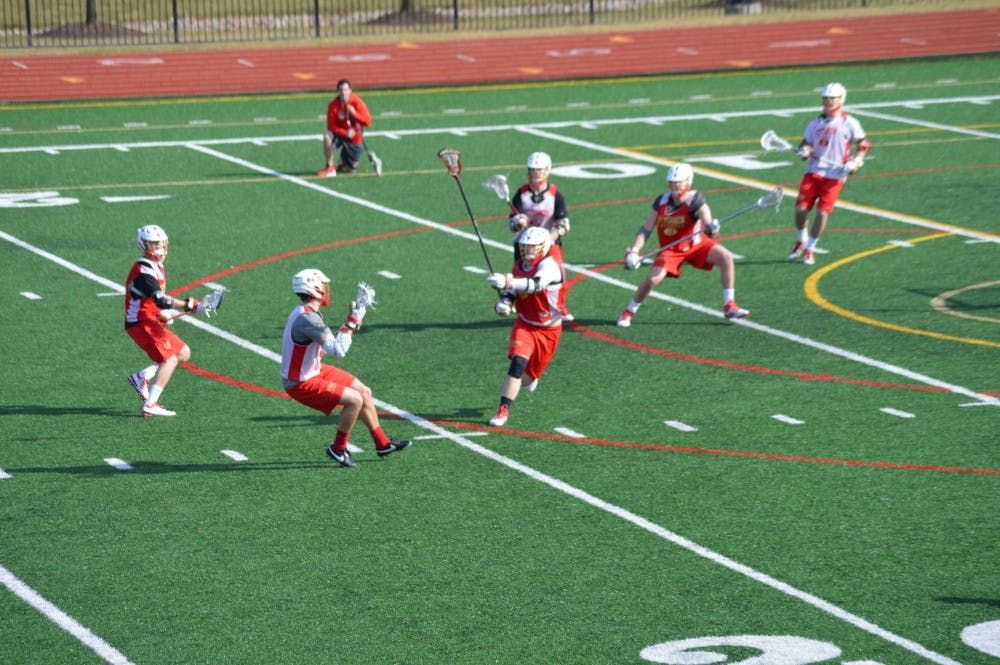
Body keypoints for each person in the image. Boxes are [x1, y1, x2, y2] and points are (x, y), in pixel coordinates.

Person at [281, 269, 410, 468]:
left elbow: (329, 345)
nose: (326, 290)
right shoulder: (308, 319)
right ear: (313, 288)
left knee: (364, 392)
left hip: (313, 370)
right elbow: (339, 350)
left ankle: (382, 443)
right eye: (323, 286)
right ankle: (338, 448)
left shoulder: (307, 314)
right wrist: (353, 321)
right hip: (300, 381)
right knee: (354, 400)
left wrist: (353, 321)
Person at [617, 163, 748, 327]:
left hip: (696, 245)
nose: (674, 186)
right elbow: (646, 228)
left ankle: (729, 305)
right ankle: (629, 312)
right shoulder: (661, 201)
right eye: (672, 182)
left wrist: (712, 227)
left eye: (678, 182)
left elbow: (707, 221)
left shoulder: (695, 199)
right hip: (670, 250)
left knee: (726, 257)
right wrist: (634, 250)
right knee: (652, 279)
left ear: (688, 182)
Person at [125, 225, 213, 417]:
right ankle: (150, 404)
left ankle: (142, 377)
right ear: (144, 246)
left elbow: (149, 300)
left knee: (183, 352)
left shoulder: (157, 267)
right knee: (169, 358)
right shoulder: (144, 270)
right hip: (140, 322)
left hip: (149, 318)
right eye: (154, 243)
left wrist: (161, 314)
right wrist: (190, 305)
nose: (159, 247)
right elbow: (161, 299)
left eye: (161, 242)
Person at [485, 226, 564, 427]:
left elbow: (534, 285)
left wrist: (507, 282)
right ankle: (503, 410)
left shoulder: (550, 266)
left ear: (542, 246)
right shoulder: (519, 265)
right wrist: (506, 302)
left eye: (531, 246)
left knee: (527, 379)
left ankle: (531, 379)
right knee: (517, 364)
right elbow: (514, 291)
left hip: (549, 330)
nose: (526, 250)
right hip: (525, 324)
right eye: (524, 246)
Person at [788, 82, 871, 265]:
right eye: (825, 98)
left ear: (841, 99)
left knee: (822, 213)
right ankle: (801, 241)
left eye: (832, 98)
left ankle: (810, 248)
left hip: (834, 176)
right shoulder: (814, 123)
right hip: (813, 171)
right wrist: (805, 151)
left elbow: (864, 145)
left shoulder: (849, 123)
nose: (828, 101)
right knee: (800, 209)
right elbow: (806, 144)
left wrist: (856, 161)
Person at [508, 151, 573, 320]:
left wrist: (548, 239)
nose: (536, 172)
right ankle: (514, 304)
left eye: (540, 169)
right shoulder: (521, 194)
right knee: (521, 276)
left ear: (548, 170)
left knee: (558, 276)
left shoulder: (555, 195)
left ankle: (559, 308)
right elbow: (512, 225)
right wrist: (518, 222)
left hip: (549, 244)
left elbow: (564, 225)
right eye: (533, 169)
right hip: (525, 244)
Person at [317, 79, 372, 177]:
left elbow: (368, 122)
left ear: (350, 90)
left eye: (346, 90)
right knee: (327, 136)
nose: (343, 93)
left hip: (354, 136)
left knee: (350, 169)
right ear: (338, 91)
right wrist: (344, 132)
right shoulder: (333, 105)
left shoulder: (357, 102)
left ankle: (346, 162)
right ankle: (330, 168)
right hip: (339, 134)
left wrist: (354, 114)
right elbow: (330, 126)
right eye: (341, 90)